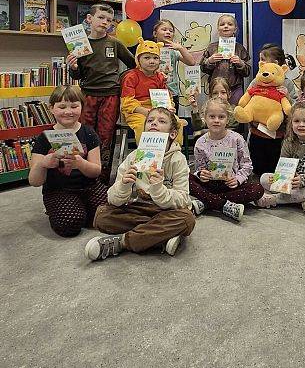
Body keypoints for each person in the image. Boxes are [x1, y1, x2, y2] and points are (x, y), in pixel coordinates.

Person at [85, 107, 195, 261]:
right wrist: (123, 185)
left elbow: (183, 200)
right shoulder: (133, 157)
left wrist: (159, 189)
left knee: (186, 219)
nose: (154, 123)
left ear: (172, 134)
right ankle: (159, 237)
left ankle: (122, 242)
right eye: (150, 120)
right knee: (101, 216)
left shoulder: (178, 160)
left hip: (166, 211)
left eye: (161, 121)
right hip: (138, 209)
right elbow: (113, 199)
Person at [66, 3, 135, 179]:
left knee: (106, 135)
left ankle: (102, 177)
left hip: (110, 95)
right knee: (84, 133)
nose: (105, 22)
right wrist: (73, 67)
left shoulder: (114, 43)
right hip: (87, 95)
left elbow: (134, 64)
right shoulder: (80, 44)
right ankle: (84, 173)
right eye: (101, 17)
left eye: (109, 20)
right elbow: (77, 74)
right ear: (89, 19)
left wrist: (122, 82)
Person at [29, 85, 107, 237]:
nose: (68, 111)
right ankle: (73, 211)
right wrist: (44, 163)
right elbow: (34, 181)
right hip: (58, 190)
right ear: (51, 108)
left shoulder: (89, 133)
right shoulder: (44, 137)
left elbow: (96, 171)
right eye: (62, 107)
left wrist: (80, 163)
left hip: (90, 187)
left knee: (111, 214)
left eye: (74, 106)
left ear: (82, 107)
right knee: (70, 224)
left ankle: (83, 211)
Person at [189, 99, 263, 221]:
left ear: (228, 119)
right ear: (205, 118)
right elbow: (199, 168)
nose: (216, 120)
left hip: (231, 184)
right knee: (187, 178)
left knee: (257, 189)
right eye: (212, 116)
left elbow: (247, 165)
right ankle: (223, 204)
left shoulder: (237, 139)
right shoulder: (200, 142)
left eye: (221, 117)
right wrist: (201, 174)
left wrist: (237, 179)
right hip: (209, 184)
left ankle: (206, 202)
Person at [259, 101, 305, 214]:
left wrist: (302, 180)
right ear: (291, 123)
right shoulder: (288, 142)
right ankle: (303, 200)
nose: (301, 125)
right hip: (289, 181)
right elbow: (283, 166)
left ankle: (275, 199)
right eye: (296, 121)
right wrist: (280, 178)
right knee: (264, 178)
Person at [248, 44, 297, 176]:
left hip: (278, 134)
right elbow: (247, 98)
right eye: (260, 59)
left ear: (275, 63)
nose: (260, 62)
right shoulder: (257, 80)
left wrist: (287, 96)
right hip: (257, 132)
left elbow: (294, 108)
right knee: (257, 166)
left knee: (275, 167)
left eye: (263, 59)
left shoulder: (287, 83)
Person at [120, 39, 178, 144]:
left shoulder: (160, 77)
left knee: (176, 123)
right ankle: (146, 152)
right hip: (137, 112)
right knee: (144, 125)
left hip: (157, 110)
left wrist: (169, 107)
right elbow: (127, 102)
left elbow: (166, 96)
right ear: (138, 59)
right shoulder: (131, 76)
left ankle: (171, 151)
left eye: (155, 58)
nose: (152, 61)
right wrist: (147, 112)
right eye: (147, 58)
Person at [200, 14, 250, 105]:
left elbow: (247, 72)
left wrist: (240, 63)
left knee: (235, 112)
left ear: (235, 29)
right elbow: (203, 68)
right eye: (222, 24)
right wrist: (210, 61)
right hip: (216, 89)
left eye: (230, 24)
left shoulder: (240, 48)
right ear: (218, 29)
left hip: (235, 88)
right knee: (217, 111)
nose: (226, 26)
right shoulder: (211, 47)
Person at [152, 18, 197, 110]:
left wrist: (180, 48)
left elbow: (191, 62)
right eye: (164, 29)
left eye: (171, 31)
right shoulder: (151, 49)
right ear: (155, 34)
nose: (168, 32)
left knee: (172, 117)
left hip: (173, 92)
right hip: (156, 91)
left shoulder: (174, 51)